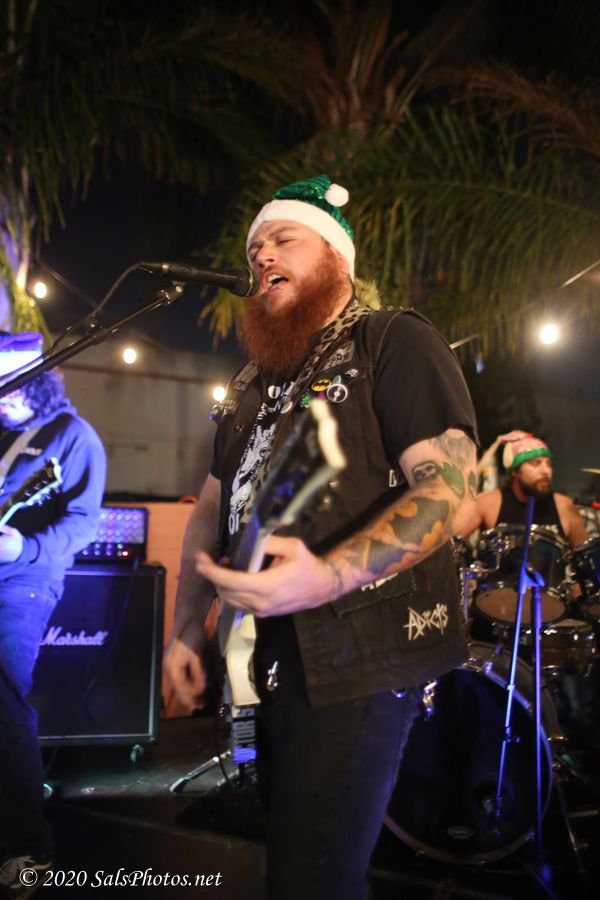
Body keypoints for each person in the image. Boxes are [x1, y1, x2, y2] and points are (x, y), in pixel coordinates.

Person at [164, 175, 478, 900]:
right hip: (275, 654)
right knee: (298, 863)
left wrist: (329, 574)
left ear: (337, 256)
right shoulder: (252, 382)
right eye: (253, 249)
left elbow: (450, 491)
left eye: (283, 239)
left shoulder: (391, 339)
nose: (261, 256)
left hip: (362, 651)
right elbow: (213, 506)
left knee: (311, 879)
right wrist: (185, 625)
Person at [0, 332, 106, 899]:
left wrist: (25, 547)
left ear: (37, 382)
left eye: (11, 387)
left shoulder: (72, 436)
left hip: (25, 580)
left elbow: (83, 522)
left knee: (2, 694)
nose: (3, 398)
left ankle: (27, 846)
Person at [463, 430, 588, 549]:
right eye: (536, 463)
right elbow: (454, 541)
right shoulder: (487, 503)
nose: (546, 471)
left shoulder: (565, 507)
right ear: (515, 471)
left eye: (548, 464)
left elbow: (586, 557)